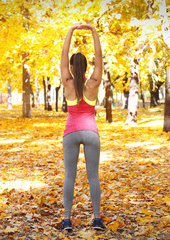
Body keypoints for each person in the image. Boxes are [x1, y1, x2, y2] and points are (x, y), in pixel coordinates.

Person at [60, 20, 105, 231]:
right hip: (91, 133)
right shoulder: (93, 83)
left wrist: (70, 30)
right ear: (87, 67)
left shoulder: (67, 82)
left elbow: (63, 55)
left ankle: (67, 220)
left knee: (70, 176)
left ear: (71, 67)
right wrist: (93, 31)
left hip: (70, 133)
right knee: (93, 176)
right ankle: (97, 219)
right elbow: (99, 58)